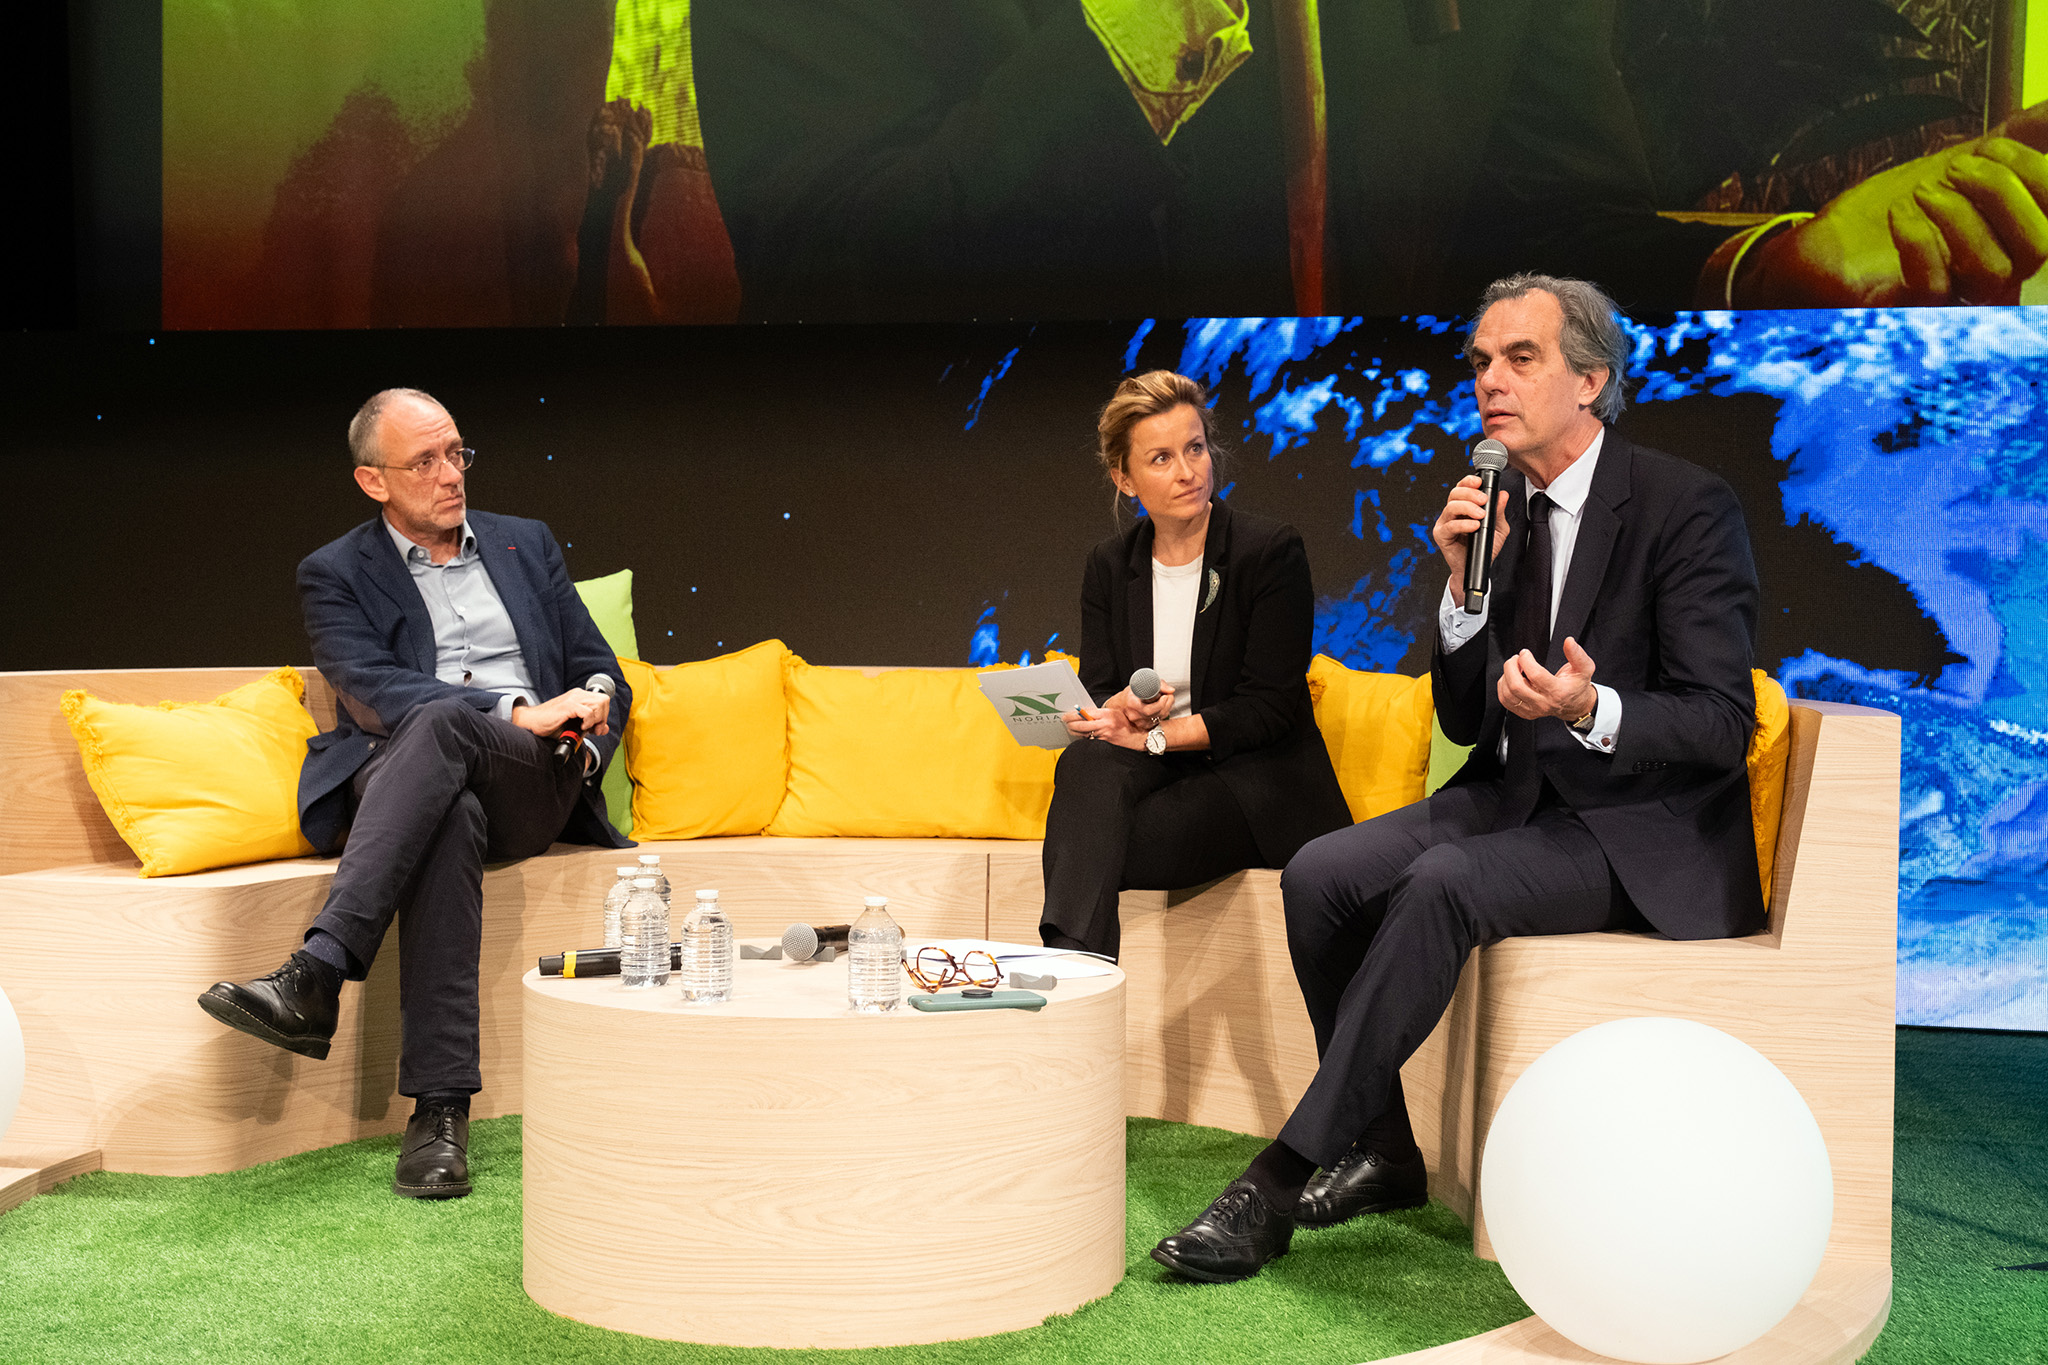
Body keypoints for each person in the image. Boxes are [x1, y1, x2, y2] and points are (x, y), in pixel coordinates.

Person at [1150, 274, 1764, 1281]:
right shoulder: (1496, 508)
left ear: (1589, 379)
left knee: (1443, 881)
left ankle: (1275, 1181)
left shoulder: (1681, 507)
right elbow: (1465, 717)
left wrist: (1587, 706)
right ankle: (1386, 1149)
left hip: (1634, 828)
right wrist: (1459, 595)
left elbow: (1718, 724)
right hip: (1513, 798)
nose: (1488, 380)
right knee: (1318, 872)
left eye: (1518, 359)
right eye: (1479, 361)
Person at [692, 0, 2048, 320]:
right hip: (982, 538)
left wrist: (1785, 266)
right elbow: (834, 259)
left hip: (1365, 542)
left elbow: (1548, 247)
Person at [197, 388, 632, 1200]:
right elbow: (374, 691)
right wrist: (513, 708)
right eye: (424, 461)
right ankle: (439, 1115)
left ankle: (317, 972)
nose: (450, 474)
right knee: (443, 790)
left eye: (457, 452)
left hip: (532, 776)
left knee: (442, 728)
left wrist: (588, 712)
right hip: (424, 774)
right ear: (374, 482)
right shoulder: (333, 573)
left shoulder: (523, 544)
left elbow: (597, 664)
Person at [1041, 370, 1352, 961]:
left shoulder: (1268, 551)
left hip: (1250, 780)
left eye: (1195, 448)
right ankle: (1079, 970)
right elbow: (1105, 682)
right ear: (1124, 480)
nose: (1188, 472)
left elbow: (1270, 708)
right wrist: (1117, 710)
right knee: (1085, 766)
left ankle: (1074, 972)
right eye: (1161, 459)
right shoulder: (1109, 565)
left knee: (1086, 844)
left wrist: (1157, 739)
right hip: (1157, 778)